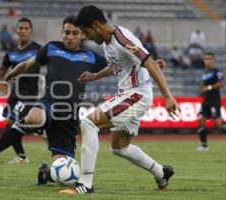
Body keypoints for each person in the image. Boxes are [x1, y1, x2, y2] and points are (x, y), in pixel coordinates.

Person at [0, 16, 107, 185]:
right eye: (67, 32)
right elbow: (27, 64)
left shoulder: (90, 56)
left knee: (63, 174)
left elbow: (114, 67)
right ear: (62, 32)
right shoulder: (51, 48)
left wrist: (99, 75)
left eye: (74, 33)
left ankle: (45, 174)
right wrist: (12, 73)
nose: (70, 36)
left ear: (82, 35)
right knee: (33, 117)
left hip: (68, 116)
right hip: (49, 103)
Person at [59, 5, 180, 194]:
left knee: (89, 123)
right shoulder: (109, 43)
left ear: (97, 25)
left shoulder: (122, 38)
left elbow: (148, 62)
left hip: (136, 95)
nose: (86, 37)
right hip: (129, 95)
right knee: (119, 147)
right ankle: (161, 172)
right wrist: (94, 76)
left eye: (86, 32)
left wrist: (167, 96)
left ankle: (85, 184)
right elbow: (116, 66)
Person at [0, 17, 42, 164]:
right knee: (9, 125)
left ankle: (40, 129)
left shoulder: (38, 49)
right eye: (21, 28)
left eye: (26, 28)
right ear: (16, 30)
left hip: (29, 95)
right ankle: (22, 156)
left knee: (14, 123)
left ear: (31, 31)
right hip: (14, 94)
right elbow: (2, 69)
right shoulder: (11, 52)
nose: (24, 31)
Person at [197, 52, 226, 151]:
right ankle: (204, 145)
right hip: (205, 101)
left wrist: (208, 87)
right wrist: (201, 91)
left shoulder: (217, 72)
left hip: (214, 100)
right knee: (200, 121)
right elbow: (202, 87)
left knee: (218, 125)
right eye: (205, 59)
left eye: (209, 59)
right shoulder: (204, 73)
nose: (207, 61)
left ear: (213, 61)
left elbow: (222, 83)